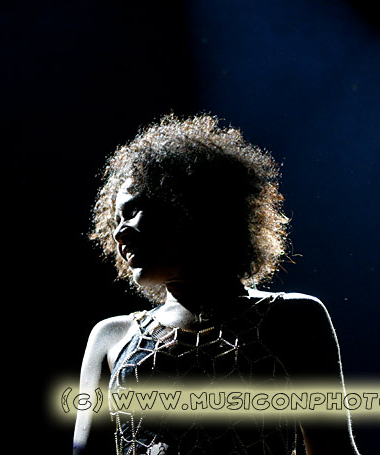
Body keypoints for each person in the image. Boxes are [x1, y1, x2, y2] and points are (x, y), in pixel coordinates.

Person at [73, 114, 360, 455]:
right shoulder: (111, 337)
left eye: (133, 212)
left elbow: (333, 450)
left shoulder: (293, 319)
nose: (119, 233)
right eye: (116, 221)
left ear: (188, 206)